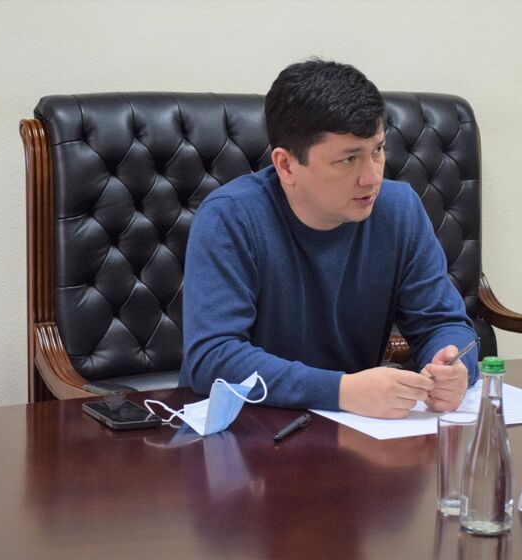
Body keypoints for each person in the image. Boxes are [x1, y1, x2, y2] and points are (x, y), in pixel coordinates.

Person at [179, 59, 479, 419]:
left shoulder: (399, 209)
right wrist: (340, 390)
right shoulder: (229, 217)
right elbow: (212, 357)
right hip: (251, 428)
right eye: (349, 159)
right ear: (286, 165)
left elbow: (443, 322)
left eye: (377, 150)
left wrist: (453, 366)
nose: (372, 177)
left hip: (360, 428)